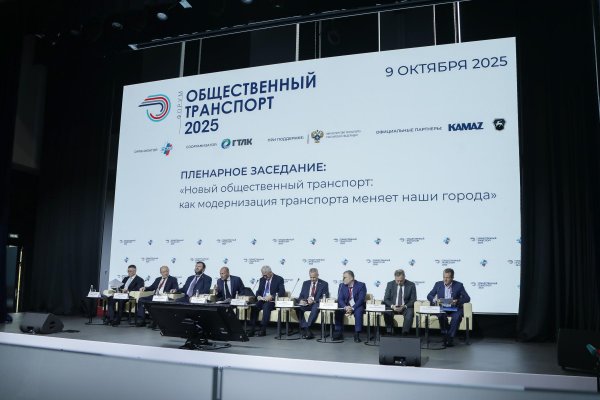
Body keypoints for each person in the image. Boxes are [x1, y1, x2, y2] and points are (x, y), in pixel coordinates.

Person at [426, 268, 471, 346]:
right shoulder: (438, 284)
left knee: (457, 317)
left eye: (447, 277)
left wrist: (457, 301)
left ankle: (450, 337)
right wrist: (435, 300)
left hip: (454, 308)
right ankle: (446, 335)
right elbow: (429, 295)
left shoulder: (459, 285)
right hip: (442, 308)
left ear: (452, 278)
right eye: (444, 277)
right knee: (441, 315)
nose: (445, 279)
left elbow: (467, 298)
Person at [248, 265, 286, 337]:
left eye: (266, 275)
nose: (264, 277)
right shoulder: (262, 279)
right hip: (262, 300)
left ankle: (263, 329)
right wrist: (258, 296)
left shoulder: (279, 279)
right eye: (263, 275)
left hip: (272, 301)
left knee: (266, 306)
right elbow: (258, 291)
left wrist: (272, 296)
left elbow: (282, 292)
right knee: (254, 307)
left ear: (270, 272)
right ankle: (252, 329)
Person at [295, 268, 329, 339]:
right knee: (298, 307)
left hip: (316, 303)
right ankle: (306, 328)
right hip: (306, 303)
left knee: (316, 306)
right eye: (311, 277)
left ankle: (307, 327)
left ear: (318, 275)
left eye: (314, 277)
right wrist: (301, 300)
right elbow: (301, 296)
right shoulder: (305, 283)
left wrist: (314, 301)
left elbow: (325, 297)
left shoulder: (324, 284)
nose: (312, 279)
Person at [333, 270, 366, 342]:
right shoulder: (342, 285)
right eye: (343, 277)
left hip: (357, 305)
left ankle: (357, 334)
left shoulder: (361, 285)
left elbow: (361, 299)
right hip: (346, 306)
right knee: (338, 310)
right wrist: (345, 307)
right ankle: (338, 332)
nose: (343, 279)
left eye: (345, 277)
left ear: (351, 278)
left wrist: (353, 308)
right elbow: (340, 299)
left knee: (359, 311)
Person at [382, 269, 416, 336]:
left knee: (410, 312)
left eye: (401, 280)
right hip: (393, 306)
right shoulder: (390, 284)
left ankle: (405, 332)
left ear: (404, 277)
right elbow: (386, 299)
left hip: (405, 307)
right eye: (397, 281)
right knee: (387, 311)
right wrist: (392, 306)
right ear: (395, 278)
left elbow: (413, 299)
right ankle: (390, 332)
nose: (399, 282)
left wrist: (404, 306)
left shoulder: (411, 285)